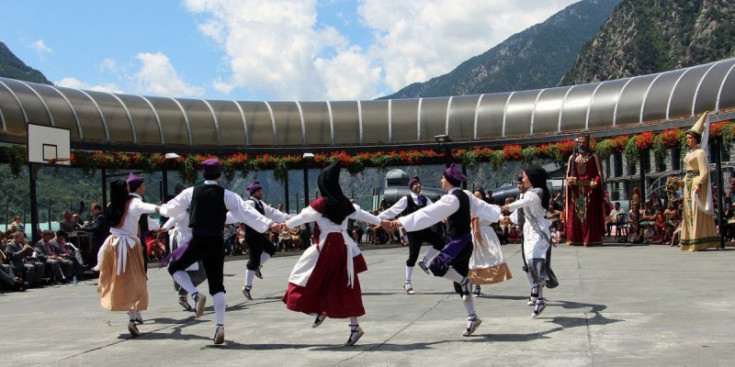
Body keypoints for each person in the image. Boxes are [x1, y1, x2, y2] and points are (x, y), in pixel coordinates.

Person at [160, 158, 281, 345]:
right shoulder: (227, 194)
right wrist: (269, 225)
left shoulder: (190, 192)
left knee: (174, 267)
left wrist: (157, 208)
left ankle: (193, 294)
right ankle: (220, 326)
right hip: (216, 240)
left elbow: (169, 209)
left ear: (203, 173)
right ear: (219, 175)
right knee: (217, 285)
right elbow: (246, 213)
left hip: (198, 239)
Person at [282, 162, 388, 346]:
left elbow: (303, 217)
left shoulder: (321, 203)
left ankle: (318, 311)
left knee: (305, 276)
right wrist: (382, 221)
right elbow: (362, 214)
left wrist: (284, 224)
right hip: (344, 246)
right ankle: (354, 327)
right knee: (346, 285)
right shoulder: (345, 203)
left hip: (326, 246)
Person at [392, 164, 500, 337]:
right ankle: (472, 317)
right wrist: (500, 213)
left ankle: (465, 283)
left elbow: (428, 213)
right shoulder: (465, 194)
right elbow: (483, 207)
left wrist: (403, 221)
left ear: (448, 181)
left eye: (443, 178)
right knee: (459, 285)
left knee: (436, 266)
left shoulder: (451, 199)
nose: (441, 180)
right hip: (464, 244)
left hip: (458, 243)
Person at [94, 179, 159, 337]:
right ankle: (132, 317)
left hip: (111, 245)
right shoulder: (133, 203)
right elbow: (148, 208)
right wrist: (163, 208)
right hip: (128, 246)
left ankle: (133, 313)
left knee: (115, 279)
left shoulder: (111, 206)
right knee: (135, 280)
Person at [502, 165, 559, 318]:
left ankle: (537, 288)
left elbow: (521, 204)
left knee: (534, 259)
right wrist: (510, 217)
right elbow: (522, 211)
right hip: (528, 231)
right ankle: (539, 298)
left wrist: (504, 207)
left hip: (539, 232)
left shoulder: (536, 192)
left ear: (532, 178)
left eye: (525, 176)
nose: (523, 178)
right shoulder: (526, 194)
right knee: (529, 261)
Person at [378, 176, 445, 295]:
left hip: (425, 229)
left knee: (440, 242)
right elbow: (393, 210)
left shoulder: (425, 199)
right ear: (411, 187)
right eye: (416, 184)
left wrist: (443, 216)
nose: (418, 186)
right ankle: (407, 282)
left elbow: (434, 209)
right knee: (412, 257)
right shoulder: (406, 199)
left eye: (419, 184)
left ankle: (424, 261)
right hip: (413, 231)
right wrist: (378, 218)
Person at [159, 184, 207, 312]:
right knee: (190, 269)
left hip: (193, 240)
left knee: (194, 269)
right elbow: (169, 222)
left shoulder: (194, 208)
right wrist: (162, 229)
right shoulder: (180, 211)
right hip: (183, 242)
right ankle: (188, 294)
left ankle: (184, 294)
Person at [677, 112, 720, 251]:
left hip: (696, 185)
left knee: (696, 211)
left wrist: (699, 184)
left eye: (690, 138)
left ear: (696, 139)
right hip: (688, 184)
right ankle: (689, 239)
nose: (688, 140)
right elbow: (688, 171)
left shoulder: (700, 153)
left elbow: (705, 172)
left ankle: (699, 239)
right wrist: (680, 183)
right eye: (687, 138)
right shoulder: (689, 153)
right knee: (688, 212)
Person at [240, 181, 290, 300]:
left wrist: (286, 217)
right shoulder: (249, 203)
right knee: (253, 259)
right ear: (253, 193)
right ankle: (247, 287)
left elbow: (273, 212)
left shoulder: (260, 203)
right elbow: (246, 216)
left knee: (271, 249)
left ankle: (258, 267)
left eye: (260, 190)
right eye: (258, 191)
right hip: (252, 235)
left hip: (259, 233)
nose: (260, 192)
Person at [468, 188, 511, 298]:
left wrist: (503, 218)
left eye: (479, 196)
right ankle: (476, 286)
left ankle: (491, 277)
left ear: (483, 198)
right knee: (474, 260)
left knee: (492, 256)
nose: (476, 198)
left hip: (486, 235)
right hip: (473, 235)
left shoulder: (487, 208)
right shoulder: (470, 208)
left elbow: (497, 214)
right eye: (475, 196)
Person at [565, 133, 605, 246]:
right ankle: (576, 238)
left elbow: (598, 173)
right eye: (580, 142)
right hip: (576, 191)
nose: (581, 144)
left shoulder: (593, 157)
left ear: (587, 143)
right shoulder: (572, 158)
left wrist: (596, 181)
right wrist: (570, 181)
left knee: (589, 216)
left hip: (589, 190)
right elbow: (568, 175)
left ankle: (590, 238)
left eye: (584, 142)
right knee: (576, 216)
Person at [82, 202, 109, 269]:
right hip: (101, 240)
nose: (91, 212)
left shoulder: (99, 217)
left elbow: (96, 228)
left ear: (97, 209)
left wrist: (84, 228)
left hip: (98, 241)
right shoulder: (103, 216)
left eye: (92, 210)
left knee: (96, 256)